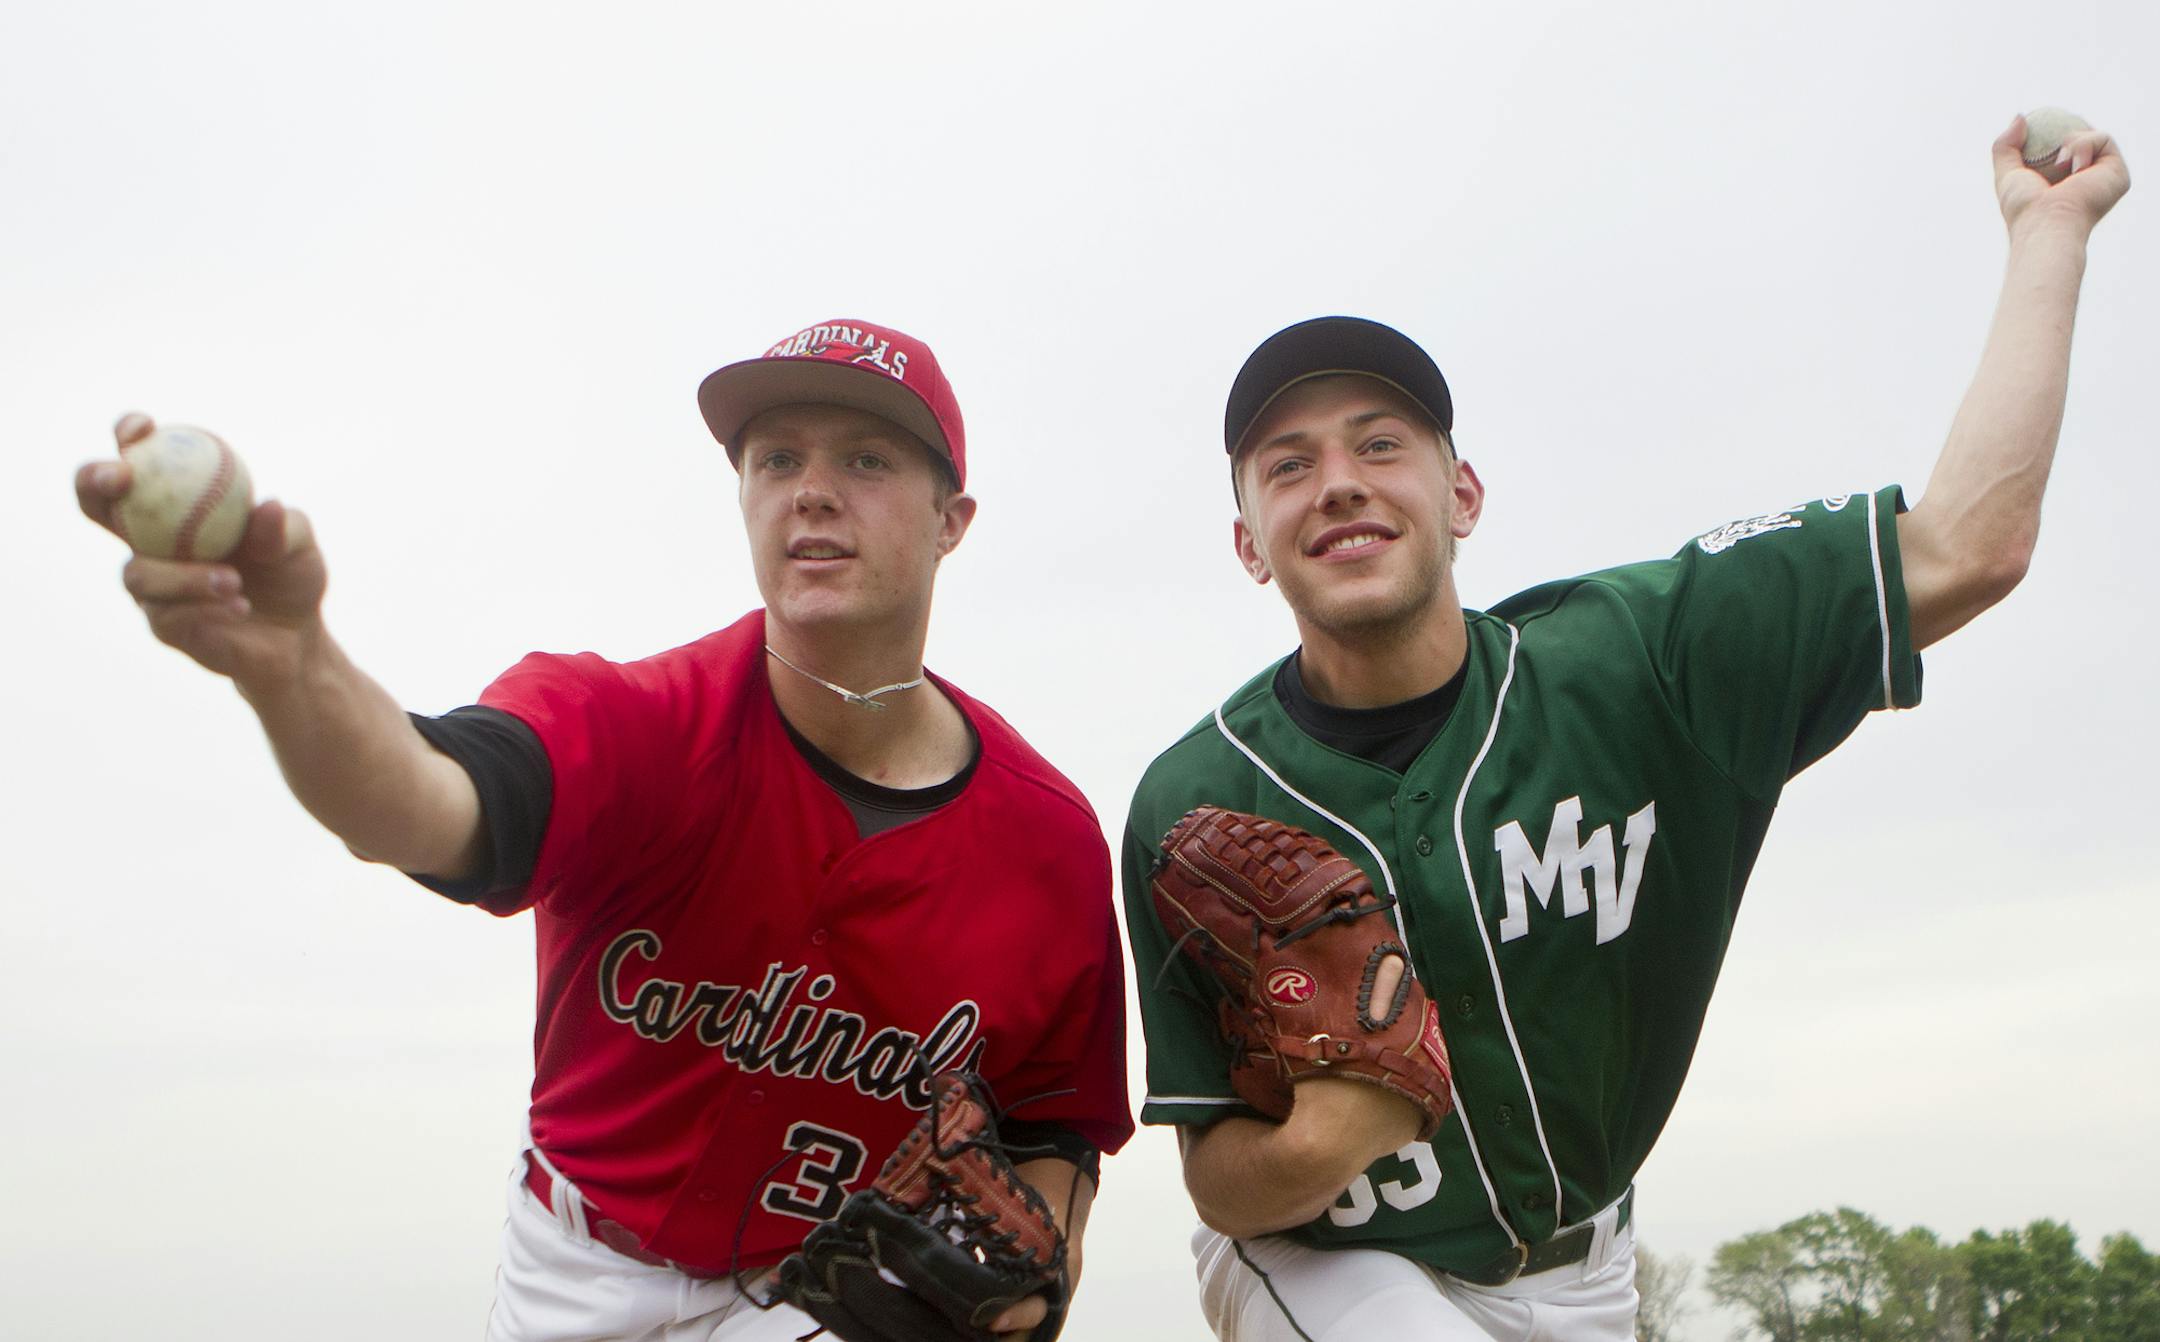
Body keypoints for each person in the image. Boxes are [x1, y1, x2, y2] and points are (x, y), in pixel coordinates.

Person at [1120, 118, 2129, 1341]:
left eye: (1381, 444)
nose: (1336, 479)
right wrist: (1332, 1134)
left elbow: (1969, 544)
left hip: (1591, 1269)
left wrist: (2050, 234)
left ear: (1462, 493)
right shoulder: (1194, 799)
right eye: (1286, 466)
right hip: (1324, 1259)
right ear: (1248, 543)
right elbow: (1216, 1180)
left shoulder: (1641, 661)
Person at [77, 318, 1133, 1341]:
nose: (810, 490)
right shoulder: (638, 725)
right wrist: (293, 663)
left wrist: (1034, 1280)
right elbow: (420, 800)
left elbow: (1053, 1126)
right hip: (572, 1266)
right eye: (775, 459)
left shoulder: (1044, 841)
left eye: (865, 458)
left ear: (953, 520)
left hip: (826, 1297)